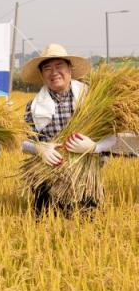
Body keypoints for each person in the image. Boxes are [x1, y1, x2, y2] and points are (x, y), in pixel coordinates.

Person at [21, 43, 116, 214]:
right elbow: (22, 141)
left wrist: (95, 147)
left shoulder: (91, 98)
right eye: (48, 68)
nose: (54, 72)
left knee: (88, 228)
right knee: (45, 230)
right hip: (48, 181)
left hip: (85, 180)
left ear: (70, 69)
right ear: (42, 75)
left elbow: (113, 136)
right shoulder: (33, 106)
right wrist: (39, 148)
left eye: (59, 66)